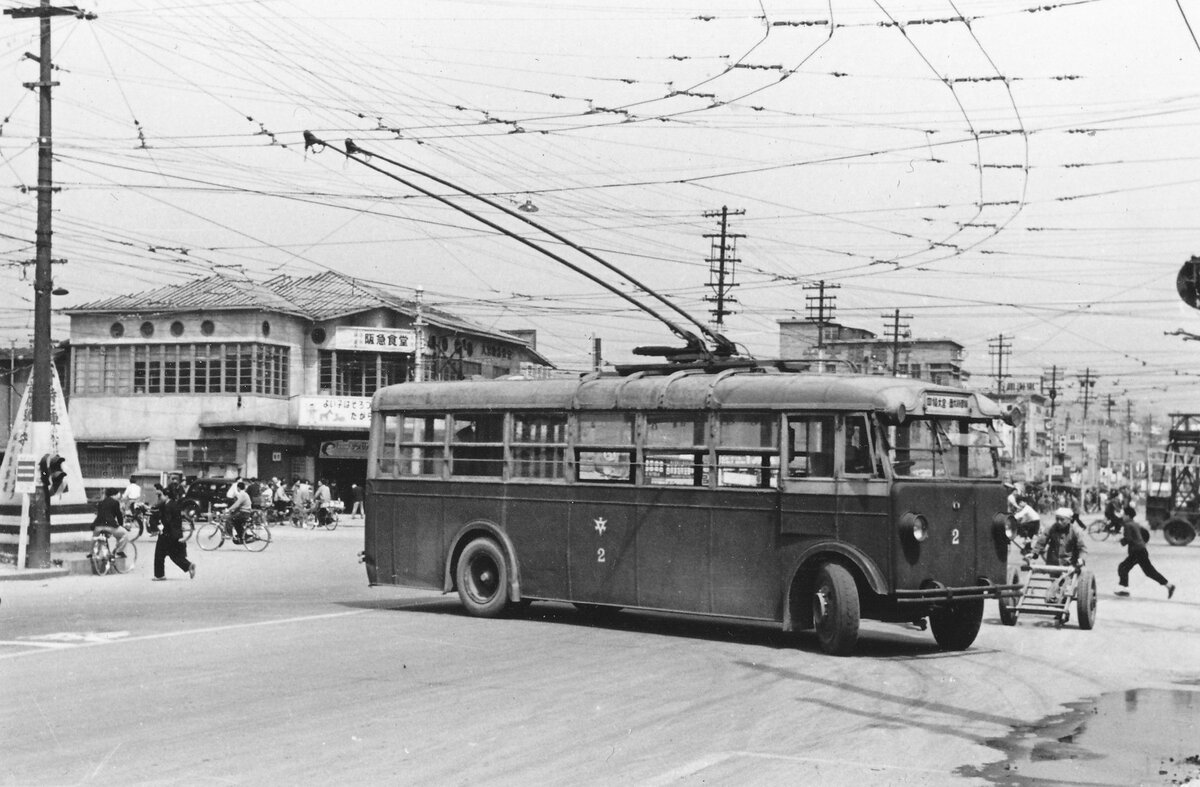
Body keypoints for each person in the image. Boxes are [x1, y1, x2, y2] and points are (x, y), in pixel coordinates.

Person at [1116, 505, 1175, 599]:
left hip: (1136, 552)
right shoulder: (1135, 524)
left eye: (1124, 514)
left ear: (1128, 516)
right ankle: (1169, 586)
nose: (1122, 516)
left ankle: (1125, 590)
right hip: (1141, 550)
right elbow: (1145, 534)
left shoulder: (1128, 525)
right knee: (1148, 571)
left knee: (1123, 567)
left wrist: (1121, 541)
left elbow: (1128, 539)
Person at [1032, 507, 1088, 604]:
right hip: (1053, 563)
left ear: (1069, 520)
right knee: (1055, 584)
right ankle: (1057, 599)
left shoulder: (1075, 531)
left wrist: (1081, 559)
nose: (1059, 522)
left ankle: (1062, 604)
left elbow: (1082, 548)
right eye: (1057, 519)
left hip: (1069, 565)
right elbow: (1042, 541)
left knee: (1065, 587)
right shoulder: (1052, 528)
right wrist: (1034, 553)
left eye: (1062, 519)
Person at [152, 484, 196, 581]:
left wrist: (160, 526)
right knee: (173, 555)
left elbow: (167, 521)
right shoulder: (173, 504)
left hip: (167, 534)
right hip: (173, 534)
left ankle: (159, 575)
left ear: (167, 496)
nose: (160, 497)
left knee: (159, 555)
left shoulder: (168, 506)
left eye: (162, 495)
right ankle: (188, 565)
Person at [93, 487, 130, 558]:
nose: (119, 496)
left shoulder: (101, 502)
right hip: (109, 525)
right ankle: (119, 551)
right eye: (118, 494)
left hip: (98, 526)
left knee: (114, 535)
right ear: (114, 495)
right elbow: (119, 516)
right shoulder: (115, 502)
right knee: (124, 534)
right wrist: (121, 525)